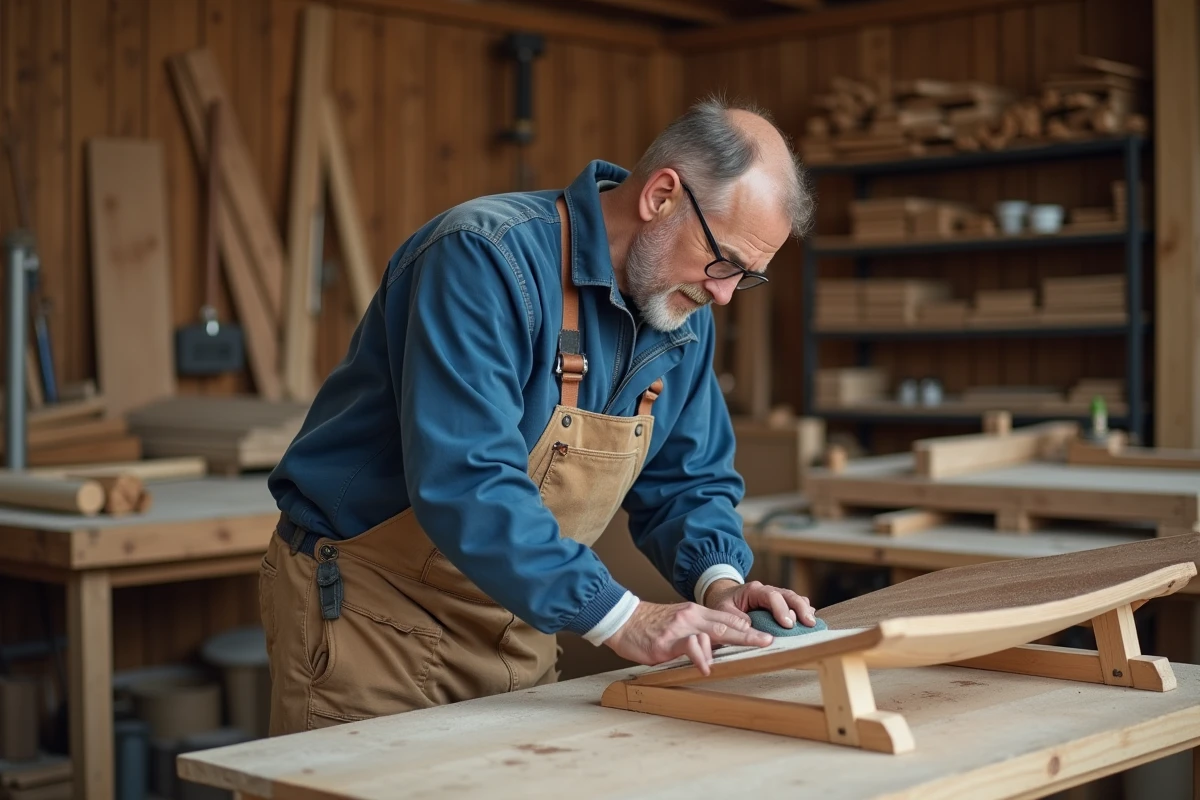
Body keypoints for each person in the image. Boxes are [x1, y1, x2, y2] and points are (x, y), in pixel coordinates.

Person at [258, 96, 818, 734]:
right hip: (376, 619)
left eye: (746, 278)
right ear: (662, 195)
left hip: (521, 617)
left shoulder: (679, 312)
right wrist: (625, 618)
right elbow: (466, 479)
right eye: (723, 263)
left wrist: (720, 585)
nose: (722, 294)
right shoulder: (482, 258)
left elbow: (691, 481)